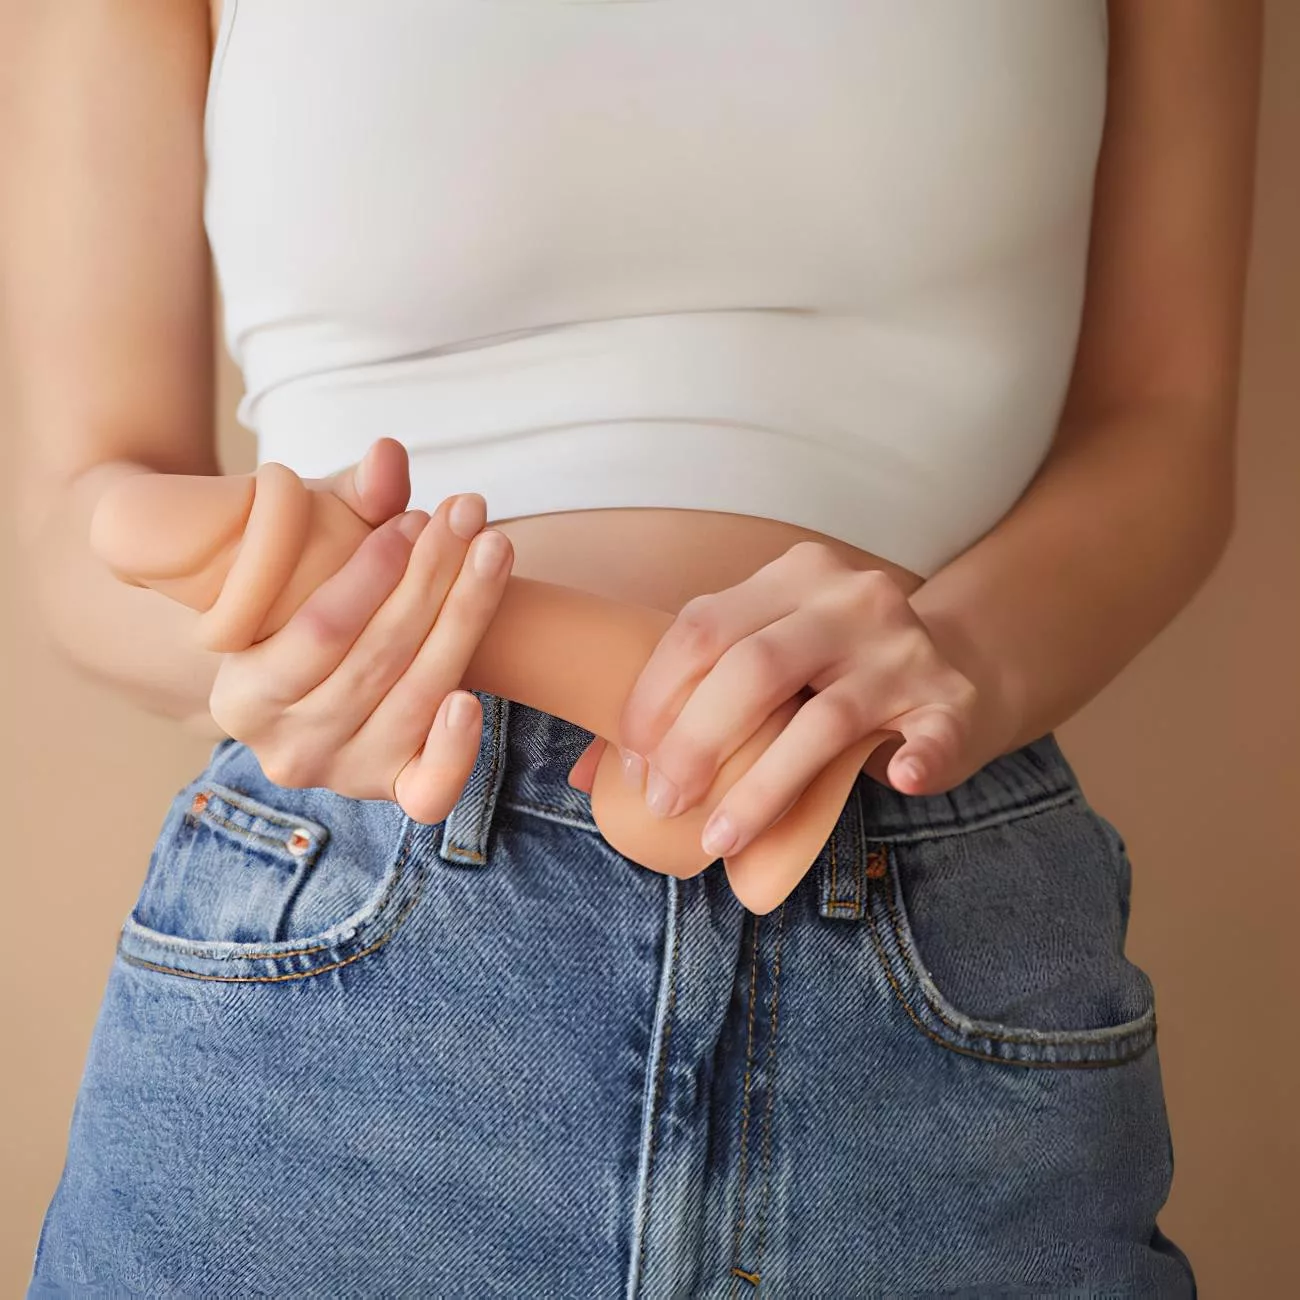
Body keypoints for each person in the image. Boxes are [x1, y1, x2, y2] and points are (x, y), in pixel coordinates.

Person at [8, 2, 1259, 1296]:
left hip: (929, 905)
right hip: (345, 930)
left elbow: (1162, 425)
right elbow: (81, 511)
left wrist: (957, 658)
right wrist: (296, 648)